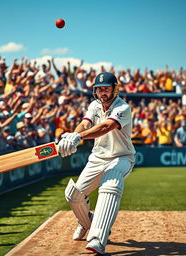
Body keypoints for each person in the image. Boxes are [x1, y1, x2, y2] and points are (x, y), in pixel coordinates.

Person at [58, 72, 136, 254]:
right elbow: (84, 124)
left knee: (110, 186)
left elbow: (105, 127)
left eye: (106, 88)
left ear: (115, 89)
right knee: (73, 195)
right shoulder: (94, 105)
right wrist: (72, 135)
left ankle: (97, 239)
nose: (102, 92)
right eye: (99, 89)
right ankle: (87, 222)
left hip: (121, 157)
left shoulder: (123, 108)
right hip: (97, 158)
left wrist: (78, 137)